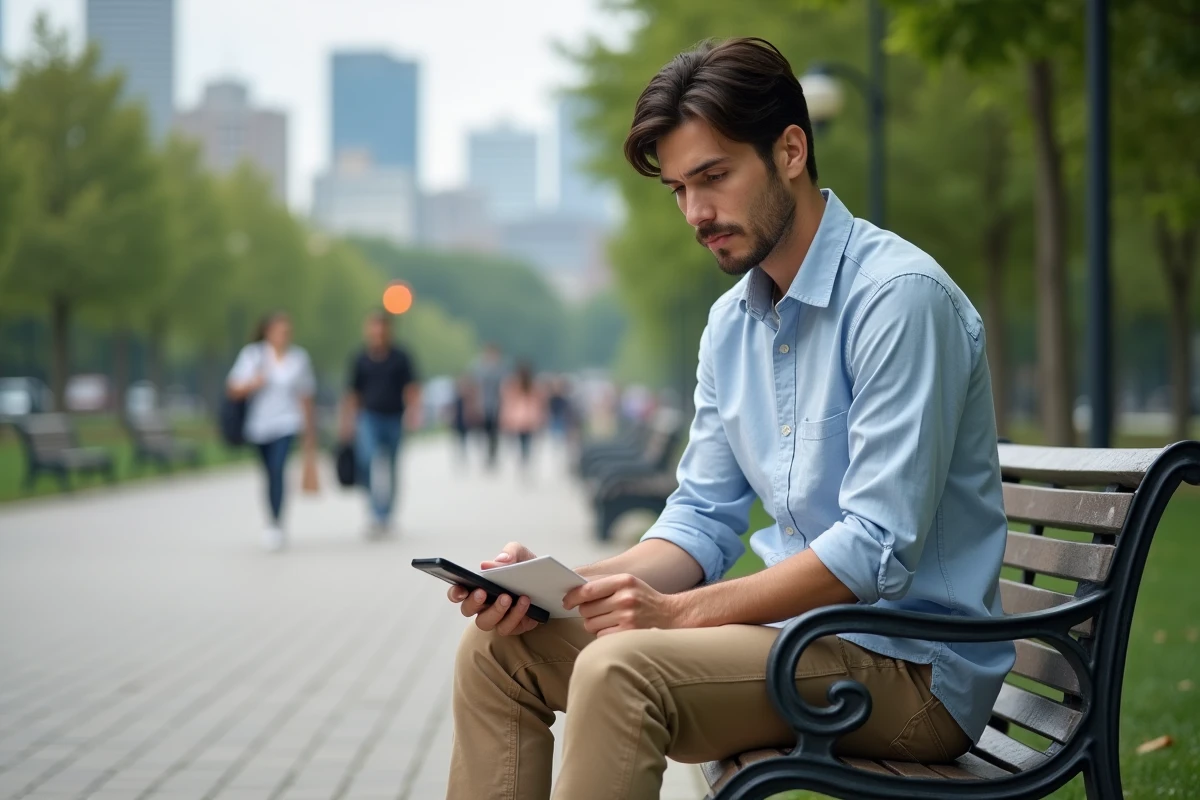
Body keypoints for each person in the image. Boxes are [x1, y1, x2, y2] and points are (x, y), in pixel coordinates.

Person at [443, 37, 1013, 799]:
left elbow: (874, 549)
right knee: (497, 652)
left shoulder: (899, 299)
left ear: (790, 151)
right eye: (678, 189)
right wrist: (550, 587)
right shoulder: (730, 326)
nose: (696, 213)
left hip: (916, 670)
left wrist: (677, 616)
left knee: (620, 666)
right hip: (798, 646)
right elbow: (702, 523)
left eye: (712, 177)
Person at [226, 312, 318, 552]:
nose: (283, 335)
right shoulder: (253, 355)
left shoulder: (298, 358)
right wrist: (252, 384)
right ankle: (271, 519)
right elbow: (233, 388)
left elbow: (306, 395)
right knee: (268, 474)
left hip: (287, 423)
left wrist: (309, 431)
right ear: (267, 332)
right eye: (278, 330)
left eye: (286, 331)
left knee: (278, 470)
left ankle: (276, 524)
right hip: (258, 426)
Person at [338, 311, 419, 538]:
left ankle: (385, 514)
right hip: (368, 418)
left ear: (388, 330)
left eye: (381, 328)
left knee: (392, 467)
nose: (377, 333)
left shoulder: (401, 357)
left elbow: (411, 387)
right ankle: (374, 511)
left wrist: (413, 412)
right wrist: (347, 423)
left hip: (394, 417)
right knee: (367, 460)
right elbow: (352, 393)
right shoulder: (360, 358)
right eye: (373, 328)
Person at [499, 361, 546, 474]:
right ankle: (525, 458)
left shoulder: (513, 384)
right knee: (526, 441)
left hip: (519, 418)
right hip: (529, 417)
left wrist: (505, 417)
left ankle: (523, 458)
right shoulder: (532, 385)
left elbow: (507, 403)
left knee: (521, 441)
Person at [472, 344, 506, 470]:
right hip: (483, 405)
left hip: (497, 406)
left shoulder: (501, 369)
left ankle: (492, 455)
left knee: (494, 433)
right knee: (482, 433)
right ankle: (486, 455)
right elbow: (476, 387)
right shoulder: (479, 368)